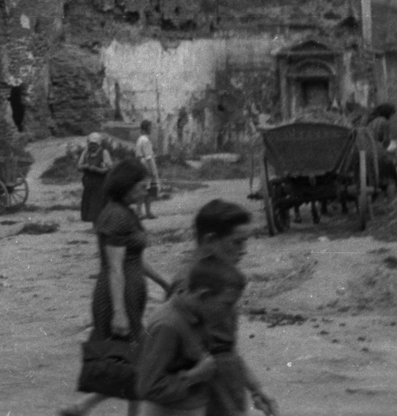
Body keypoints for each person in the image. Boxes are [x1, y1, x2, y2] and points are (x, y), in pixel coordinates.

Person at [61, 159, 175, 416]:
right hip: (117, 297)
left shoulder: (126, 211)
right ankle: (84, 406)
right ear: (125, 186)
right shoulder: (116, 215)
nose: (146, 189)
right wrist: (119, 312)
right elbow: (114, 267)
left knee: (132, 361)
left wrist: (163, 282)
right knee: (136, 361)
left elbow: (135, 259)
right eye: (141, 185)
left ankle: (83, 407)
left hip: (129, 296)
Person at [177, 200, 277, 416]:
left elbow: (225, 346)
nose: (244, 251)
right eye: (237, 243)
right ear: (210, 240)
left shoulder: (220, 282)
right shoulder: (190, 289)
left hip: (225, 387)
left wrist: (255, 388)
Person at [134, 260, 242, 416]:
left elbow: (209, 367)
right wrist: (193, 376)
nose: (230, 312)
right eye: (227, 304)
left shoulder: (198, 316)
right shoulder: (166, 326)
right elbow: (148, 388)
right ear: (203, 295)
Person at [78, 133, 113, 223]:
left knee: (99, 204)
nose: (92, 146)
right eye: (90, 144)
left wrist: (97, 169)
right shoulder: (86, 153)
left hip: (100, 183)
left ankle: (100, 226)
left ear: (98, 144)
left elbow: (108, 168)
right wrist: (85, 166)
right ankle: (94, 226)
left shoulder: (104, 153)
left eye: (94, 144)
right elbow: (79, 166)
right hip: (89, 184)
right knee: (90, 204)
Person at [366, 103, 397, 190]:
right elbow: (386, 142)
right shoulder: (385, 122)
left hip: (366, 151)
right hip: (377, 151)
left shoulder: (372, 122)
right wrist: (385, 148)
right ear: (388, 113)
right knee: (392, 173)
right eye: (392, 114)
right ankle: (391, 199)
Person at [134, 122, 159, 220]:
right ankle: (141, 212)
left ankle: (146, 212)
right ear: (144, 129)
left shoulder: (140, 139)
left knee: (145, 190)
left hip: (141, 164)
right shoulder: (145, 140)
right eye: (149, 128)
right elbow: (148, 157)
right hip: (146, 166)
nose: (151, 130)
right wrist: (152, 171)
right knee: (146, 190)